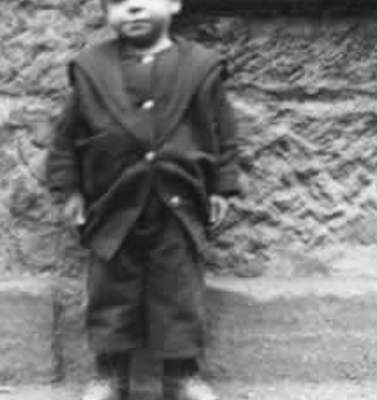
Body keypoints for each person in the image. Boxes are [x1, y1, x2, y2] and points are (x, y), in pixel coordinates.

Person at [46, 0, 240, 399]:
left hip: (178, 204)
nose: (132, 7)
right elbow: (66, 137)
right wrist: (70, 190)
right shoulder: (91, 70)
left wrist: (222, 186)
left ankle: (181, 377)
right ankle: (110, 375)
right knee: (110, 292)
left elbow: (222, 132)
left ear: (173, 3)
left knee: (179, 291)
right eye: (117, 2)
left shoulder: (199, 68)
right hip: (113, 203)